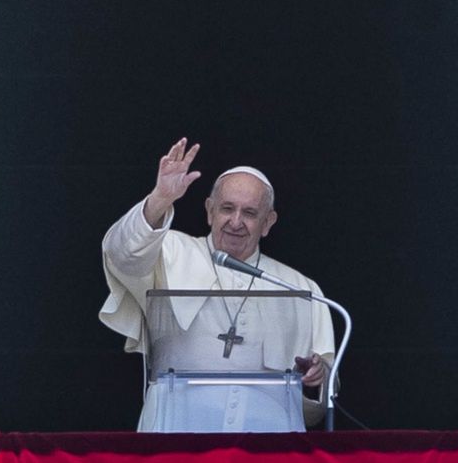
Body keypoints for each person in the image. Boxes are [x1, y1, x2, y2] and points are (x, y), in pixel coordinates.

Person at [100, 138, 335, 431]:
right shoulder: (168, 252)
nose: (236, 222)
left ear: (268, 222)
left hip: (267, 438)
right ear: (210, 210)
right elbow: (123, 254)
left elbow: (323, 388)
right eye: (227, 209)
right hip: (177, 429)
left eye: (249, 213)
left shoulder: (302, 289)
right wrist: (160, 199)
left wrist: (317, 375)